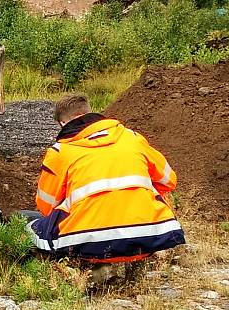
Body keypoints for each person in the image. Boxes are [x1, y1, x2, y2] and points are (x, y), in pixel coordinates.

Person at [25, 93, 185, 264]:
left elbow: (46, 206)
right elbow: (169, 181)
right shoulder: (133, 138)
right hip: (150, 235)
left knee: (31, 227)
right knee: (150, 187)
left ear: (63, 123)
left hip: (88, 243)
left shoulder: (60, 151)